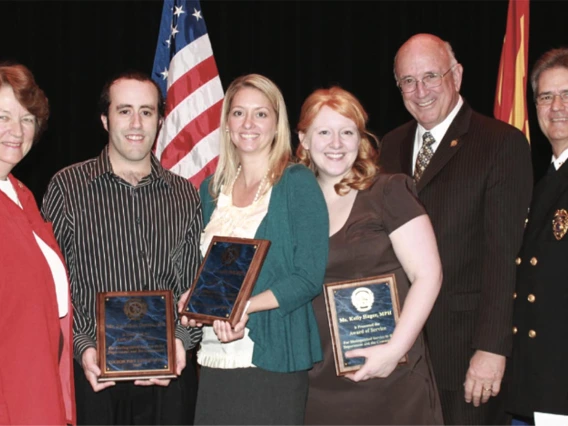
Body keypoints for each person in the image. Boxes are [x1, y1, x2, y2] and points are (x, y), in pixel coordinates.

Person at [380, 33, 533, 425]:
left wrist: (491, 349)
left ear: (457, 75)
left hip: (465, 358)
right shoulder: (389, 145)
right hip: (398, 355)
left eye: (431, 76)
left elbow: (504, 258)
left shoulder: (501, 144)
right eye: (408, 81)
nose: (420, 90)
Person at [41, 70, 202, 425]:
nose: (136, 122)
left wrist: (181, 340)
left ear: (160, 121)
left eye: (146, 112)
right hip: (93, 371)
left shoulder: (184, 194)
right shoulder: (67, 187)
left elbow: (192, 283)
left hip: (168, 371)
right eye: (124, 110)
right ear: (104, 118)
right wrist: (84, 346)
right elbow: (51, 282)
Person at [181, 73, 328, 425]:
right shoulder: (212, 190)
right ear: (227, 124)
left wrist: (243, 308)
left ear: (277, 124)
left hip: (272, 357)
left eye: (261, 114)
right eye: (239, 113)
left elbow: (308, 277)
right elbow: (214, 272)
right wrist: (195, 299)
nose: (249, 124)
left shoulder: (296, 183)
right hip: (216, 357)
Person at [297, 86, 443, 425]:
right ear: (304, 139)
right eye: (324, 132)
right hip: (316, 383)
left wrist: (394, 351)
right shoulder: (292, 203)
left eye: (346, 132)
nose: (336, 143)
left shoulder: (388, 191)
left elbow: (428, 275)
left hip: (389, 379)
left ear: (360, 139)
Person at [0, 63, 75, 424]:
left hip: (40, 392)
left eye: (27, 118)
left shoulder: (21, 195)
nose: (16, 131)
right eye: (3, 116)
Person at [506, 47, 568, 424]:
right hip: (538, 384)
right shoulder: (545, 182)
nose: (556, 106)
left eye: (567, 94)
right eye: (546, 96)